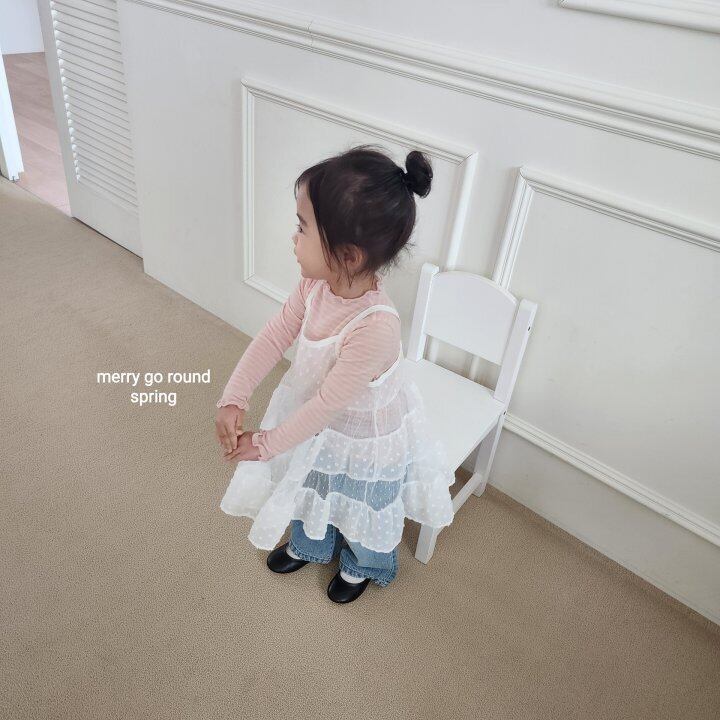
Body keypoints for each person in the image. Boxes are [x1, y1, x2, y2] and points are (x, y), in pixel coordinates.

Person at [215, 144, 455, 604]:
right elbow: (275, 334)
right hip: (317, 414)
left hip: (363, 432)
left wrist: (264, 444)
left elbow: (328, 405)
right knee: (312, 478)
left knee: (360, 495)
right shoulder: (314, 284)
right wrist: (234, 396)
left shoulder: (375, 327)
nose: (293, 238)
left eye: (303, 227)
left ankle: (365, 562)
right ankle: (311, 542)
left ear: (347, 255)